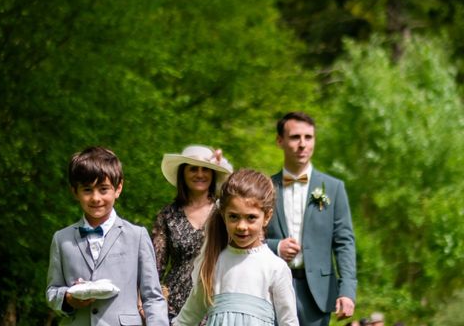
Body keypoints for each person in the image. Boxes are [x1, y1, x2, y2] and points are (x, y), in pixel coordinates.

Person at [45, 146, 168, 325]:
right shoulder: (62, 239)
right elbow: (52, 291)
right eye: (87, 190)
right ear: (74, 191)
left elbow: (153, 298)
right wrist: (68, 298)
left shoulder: (137, 236)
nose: (96, 198)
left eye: (103, 189)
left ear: (118, 188)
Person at [173, 168, 299, 326]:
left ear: (266, 217)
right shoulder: (212, 264)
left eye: (251, 218)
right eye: (233, 217)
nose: (241, 226)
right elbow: (186, 319)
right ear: (223, 214)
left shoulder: (276, 268)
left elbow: (289, 322)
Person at [266, 112, 357, 326]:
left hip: (319, 293)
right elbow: (249, 237)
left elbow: (344, 243)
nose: (302, 144)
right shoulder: (265, 187)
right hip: (271, 289)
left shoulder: (334, 188)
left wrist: (347, 291)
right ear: (280, 141)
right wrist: (276, 246)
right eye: (295, 137)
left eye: (308, 137)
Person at [152, 144, 234, 321]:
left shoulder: (224, 212)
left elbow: (240, 190)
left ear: (213, 174)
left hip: (215, 300)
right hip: (173, 306)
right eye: (193, 169)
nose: (200, 174)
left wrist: (224, 165)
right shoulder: (167, 214)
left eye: (206, 169)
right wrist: (151, 302)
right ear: (183, 173)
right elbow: (155, 266)